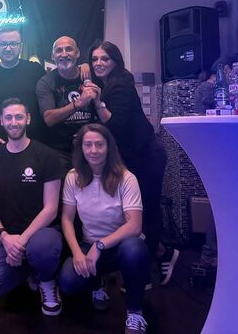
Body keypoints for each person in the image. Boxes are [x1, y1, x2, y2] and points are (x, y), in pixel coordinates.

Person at [87, 41, 178, 285]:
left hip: (146, 155)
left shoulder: (120, 84)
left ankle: (142, 276)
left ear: (115, 61)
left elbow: (115, 125)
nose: (98, 63)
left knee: (145, 212)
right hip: (132, 157)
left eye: (104, 58)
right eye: (94, 59)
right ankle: (162, 254)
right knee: (130, 213)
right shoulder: (106, 84)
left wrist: (98, 103)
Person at [0, 98, 63, 317]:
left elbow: (51, 209)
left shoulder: (47, 156)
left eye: (19, 117)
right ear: (1, 121)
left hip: (41, 234)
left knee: (43, 249)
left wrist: (21, 242)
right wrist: (4, 237)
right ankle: (27, 269)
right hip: (7, 237)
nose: (14, 122)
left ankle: (46, 280)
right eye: (8, 117)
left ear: (28, 119)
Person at [59, 123, 150, 333]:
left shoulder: (126, 178)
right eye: (88, 144)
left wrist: (100, 245)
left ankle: (135, 313)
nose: (93, 150)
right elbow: (66, 219)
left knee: (134, 250)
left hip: (120, 245)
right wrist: (77, 253)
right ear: (81, 148)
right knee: (68, 282)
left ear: (109, 147)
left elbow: (135, 226)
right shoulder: (73, 177)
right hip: (89, 244)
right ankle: (97, 284)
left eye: (99, 144)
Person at [36, 36, 96, 176]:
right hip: (61, 151)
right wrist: (78, 104)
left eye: (69, 49)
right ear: (53, 56)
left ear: (77, 53)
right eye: (59, 51)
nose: (64, 54)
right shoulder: (46, 82)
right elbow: (49, 119)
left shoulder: (90, 75)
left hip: (91, 146)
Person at [0, 28, 47, 147]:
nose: (8, 48)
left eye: (13, 44)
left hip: (37, 141)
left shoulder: (36, 70)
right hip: (3, 143)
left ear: (20, 47)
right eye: (3, 44)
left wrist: (81, 68)